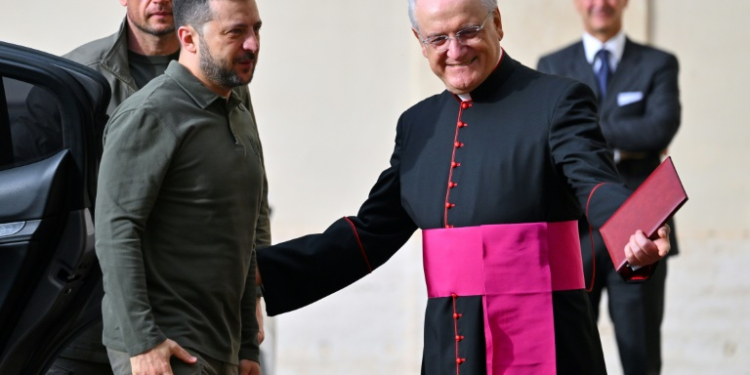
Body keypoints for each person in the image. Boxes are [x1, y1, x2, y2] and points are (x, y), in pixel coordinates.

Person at [255, 0, 671, 374]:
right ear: (419, 41)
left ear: (497, 23)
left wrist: (632, 227)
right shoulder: (418, 125)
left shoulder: (557, 101)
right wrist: (256, 272)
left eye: (468, 31)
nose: (455, 50)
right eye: (438, 37)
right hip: (450, 347)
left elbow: (594, 183)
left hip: (548, 342)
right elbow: (369, 234)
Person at [10, 1, 269, 373]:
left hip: (192, 324)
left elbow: (246, 204)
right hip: (81, 321)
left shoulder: (226, 81)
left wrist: (252, 311)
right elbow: (43, 197)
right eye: (237, 31)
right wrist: (138, 336)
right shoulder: (79, 77)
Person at [94, 0, 268, 373]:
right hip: (169, 350)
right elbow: (115, 232)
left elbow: (242, 228)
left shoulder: (235, 110)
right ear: (188, 38)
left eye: (256, 29)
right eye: (235, 32)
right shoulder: (151, 113)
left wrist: (248, 345)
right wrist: (144, 343)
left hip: (223, 347)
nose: (252, 44)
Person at [537, 1, 680, 373]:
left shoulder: (658, 63)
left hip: (641, 231)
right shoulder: (551, 66)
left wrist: (581, 133)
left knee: (640, 356)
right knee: (568, 354)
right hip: (575, 234)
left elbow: (661, 127)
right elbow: (545, 140)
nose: (600, 3)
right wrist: (628, 134)